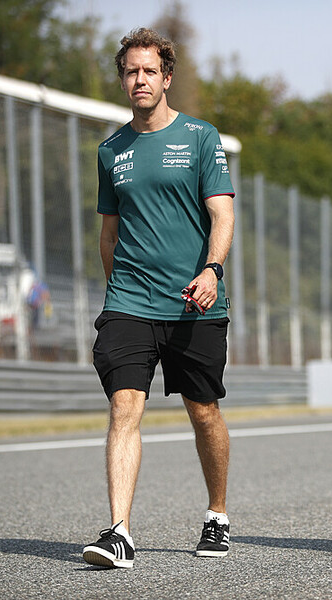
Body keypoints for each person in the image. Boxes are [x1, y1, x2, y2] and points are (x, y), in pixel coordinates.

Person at [82, 27, 236, 569]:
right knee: (124, 406)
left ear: (166, 78)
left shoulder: (200, 137)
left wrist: (212, 270)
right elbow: (108, 235)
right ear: (122, 80)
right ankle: (119, 531)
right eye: (131, 71)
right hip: (130, 301)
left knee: (203, 411)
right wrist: (119, 292)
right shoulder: (110, 151)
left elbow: (222, 214)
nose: (140, 80)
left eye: (150, 71)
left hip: (195, 301)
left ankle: (217, 513)